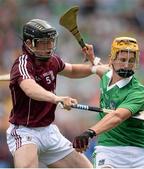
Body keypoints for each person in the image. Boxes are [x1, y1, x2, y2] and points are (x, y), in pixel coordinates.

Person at [6, 19, 94, 168]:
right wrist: (57, 98)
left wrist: (94, 67)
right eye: (43, 43)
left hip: (49, 131)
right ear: (29, 43)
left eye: (50, 42)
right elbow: (30, 88)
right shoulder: (22, 63)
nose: (49, 47)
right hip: (25, 132)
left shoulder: (52, 60)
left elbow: (72, 70)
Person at [73, 37, 144, 168]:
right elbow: (96, 67)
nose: (126, 65)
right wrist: (92, 58)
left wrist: (90, 132)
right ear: (111, 60)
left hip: (140, 150)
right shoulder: (106, 75)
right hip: (109, 150)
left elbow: (118, 116)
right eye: (123, 60)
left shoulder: (138, 91)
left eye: (131, 61)